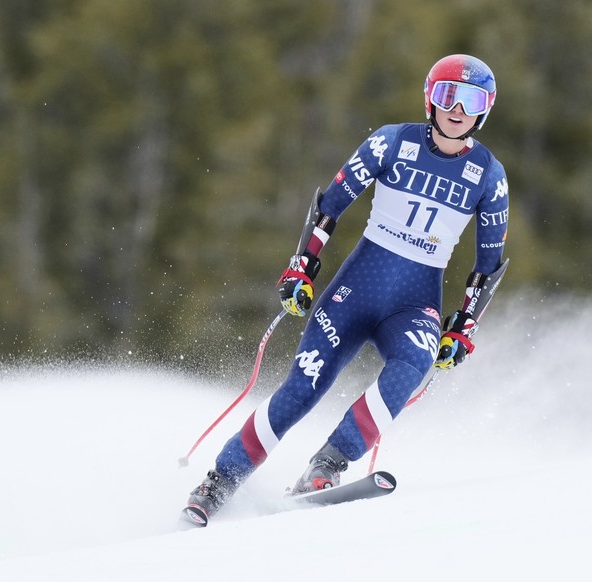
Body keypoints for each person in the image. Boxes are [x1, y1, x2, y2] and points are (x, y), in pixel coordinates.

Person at [182, 54, 509, 526]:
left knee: (411, 368)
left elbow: (487, 263)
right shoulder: (391, 142)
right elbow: (332, 204)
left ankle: (328, 465)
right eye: (447, 96)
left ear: (485, 109)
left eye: (470, 100)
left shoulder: (489, 176)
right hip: (355, 293)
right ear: (429, 99)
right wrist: (303, 266)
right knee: (302, 389)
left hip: (414, 306)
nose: (456, 110)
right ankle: (218, 483)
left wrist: (464, 325)